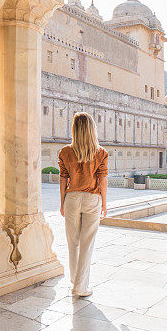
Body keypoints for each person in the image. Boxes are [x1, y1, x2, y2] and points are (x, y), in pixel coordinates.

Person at [58, 112, 108, 297]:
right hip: (92, 198)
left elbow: (63, 178)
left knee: (73, 242)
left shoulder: (65, 151)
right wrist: (104, 203)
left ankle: (75, 280)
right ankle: (80, 286)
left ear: (74, 129)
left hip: (71, 199)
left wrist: (62, 202)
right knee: (87, 243)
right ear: (91, 129)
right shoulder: (101, 152)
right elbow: (102, 180)